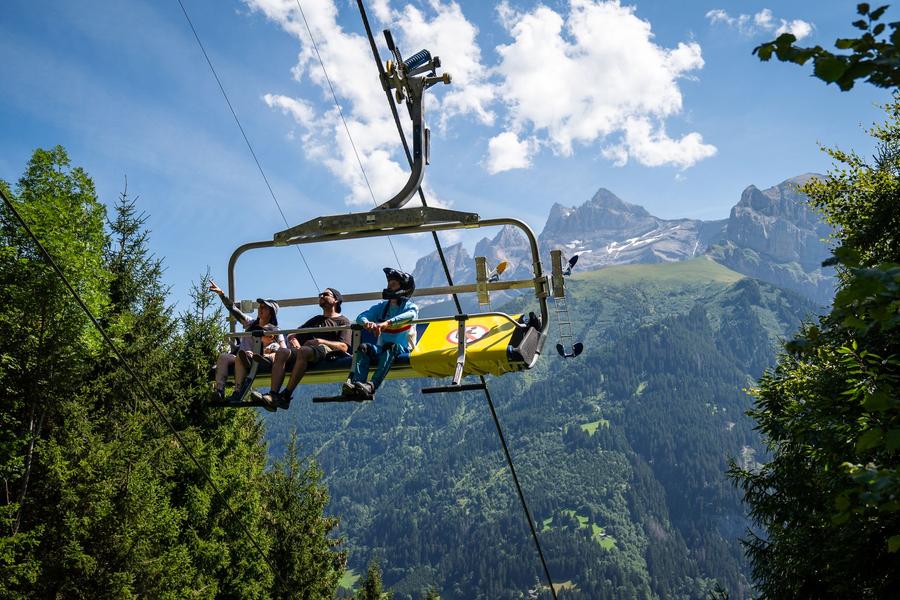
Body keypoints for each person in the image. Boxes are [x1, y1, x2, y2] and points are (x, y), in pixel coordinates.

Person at [253, 287, 352, 410]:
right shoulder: (316, 320)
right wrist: (293, 339)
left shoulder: (343, 321)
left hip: (327, 351)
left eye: (325, 294)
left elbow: (344, 347)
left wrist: (320, 341)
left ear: (336, 299)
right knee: (282, 352)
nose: (321, 296)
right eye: (320, 294)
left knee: (304, 351)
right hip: (307, 351)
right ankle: (273, 395)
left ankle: (286, 395)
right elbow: (294, 334)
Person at [342, 268, 419, 399]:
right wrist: (367, 323)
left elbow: (410, 315)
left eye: (393, 284)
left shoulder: (409, 306)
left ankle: (372, 385)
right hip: (383, 349)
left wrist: (387, 323)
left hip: (403, 349)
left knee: (390, 346)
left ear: (404, 288)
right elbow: (362, 316)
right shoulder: (382, 307)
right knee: (364, 348)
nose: (389, 287)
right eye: (388, 284)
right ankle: (356, 384)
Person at [208, 280, 285, 401]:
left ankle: (237, 392)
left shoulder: (274, 330)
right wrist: (222, 295)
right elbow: (233, 309)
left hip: (256, 358)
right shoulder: (250, 323)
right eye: (260, 306)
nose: (260, 309)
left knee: (240, 356)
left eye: (264, 307)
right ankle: (219, 391)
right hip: (242, 356)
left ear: (271, 312)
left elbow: (283, 348)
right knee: (223, 357)